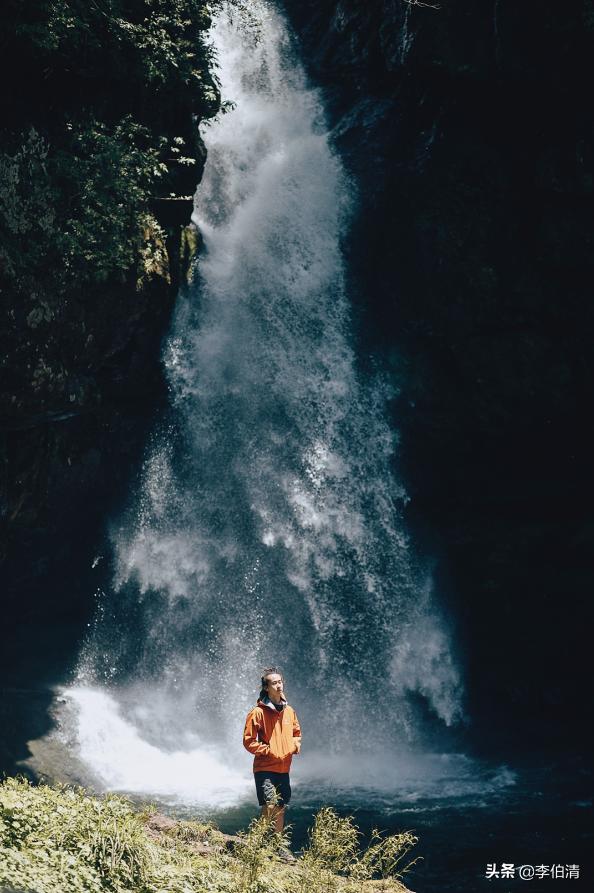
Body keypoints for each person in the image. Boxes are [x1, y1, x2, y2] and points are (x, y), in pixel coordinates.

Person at [243, 667, 301, 838]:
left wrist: (294, 747)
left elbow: (297, 733)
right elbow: (248, 741)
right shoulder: (257, 712)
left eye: (280, 682)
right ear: (266, 688)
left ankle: (278, 845)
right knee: (270, 805)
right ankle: (255, 841)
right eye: (274, 683)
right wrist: (268, 751)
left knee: (280, 808)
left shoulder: (289, 711)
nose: (278, 686)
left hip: (284, 769)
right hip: (265, 768)